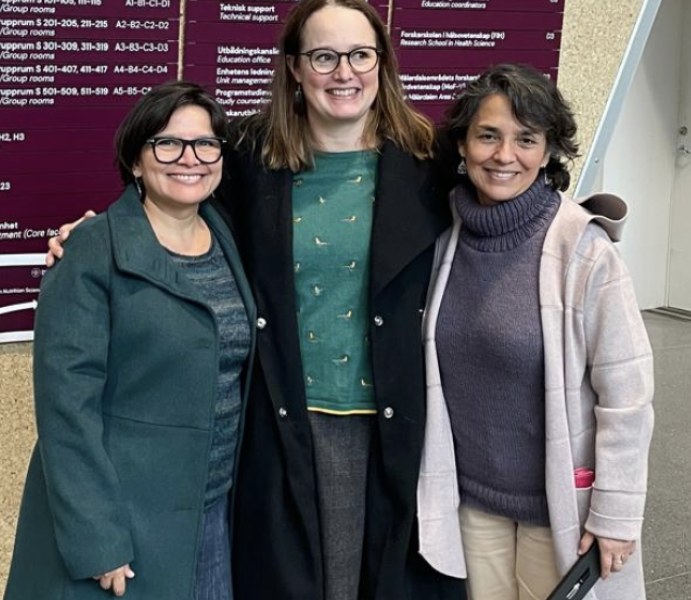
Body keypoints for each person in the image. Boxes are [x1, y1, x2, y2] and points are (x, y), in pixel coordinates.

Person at [47, 1, 466, 599]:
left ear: (383, 63)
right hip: (277, 424)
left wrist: (589, 231)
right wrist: (90, 236)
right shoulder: (248, 158)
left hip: (394, 428)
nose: (343, 71)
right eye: (323, 55)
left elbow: (508, 205)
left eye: (359, 54)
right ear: (295, 67)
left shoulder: (431, 163)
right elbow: (171, 207)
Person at [5, 82, 256, 600]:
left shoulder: (225, 233)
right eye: (168, 143)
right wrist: (98, 539)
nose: (190, 158)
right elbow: (66, 409)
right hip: (123, 527)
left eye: (206, 144)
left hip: (209, 514)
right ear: (137, 161)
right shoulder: (91, 251)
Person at [416, 63, 654, 600]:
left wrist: (616, 512)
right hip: (471, 504)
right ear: (461, 145)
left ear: (548, 152)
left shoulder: (583, 250)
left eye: (526, 139)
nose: (505, 156)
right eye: (488, 136)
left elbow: (628, 394)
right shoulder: (442, 241)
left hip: (561, 510)